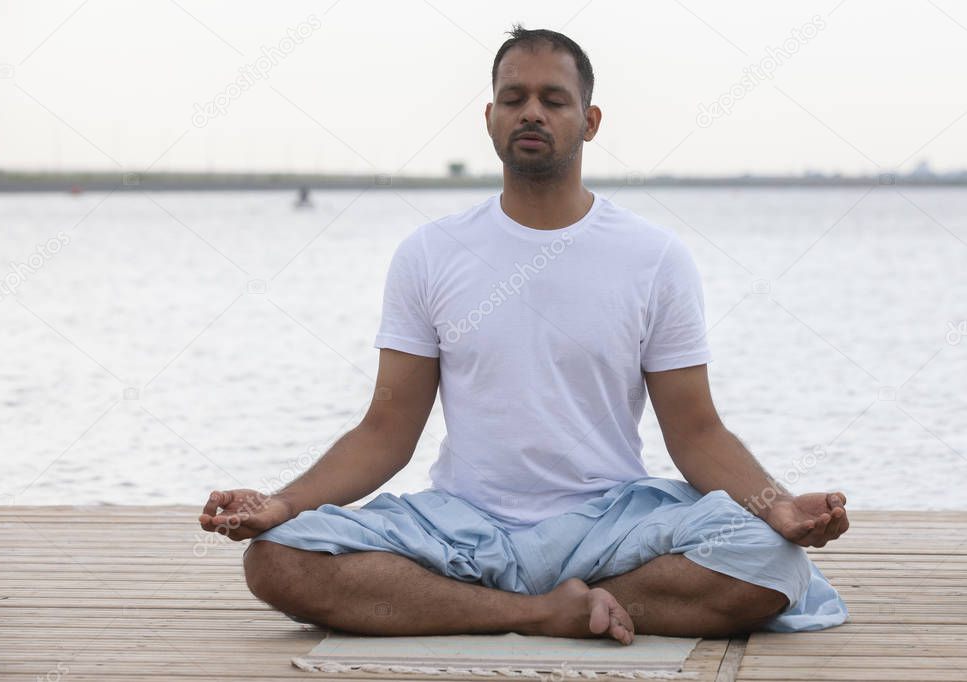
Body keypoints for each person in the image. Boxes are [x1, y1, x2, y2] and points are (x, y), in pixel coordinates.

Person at [198, 24, 850, 646]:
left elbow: (697, 431)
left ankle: (521, 606)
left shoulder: (653, 257)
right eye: (514, 99)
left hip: (611, 525)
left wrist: (778, 507)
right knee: (277, 560)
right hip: (463, 527)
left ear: (589, 122)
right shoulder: (431, 253)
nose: (531, 112)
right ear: (489, 119)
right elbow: (384, 432)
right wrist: (281, 506)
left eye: (552, 99)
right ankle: (543, 613)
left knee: (771, 560)